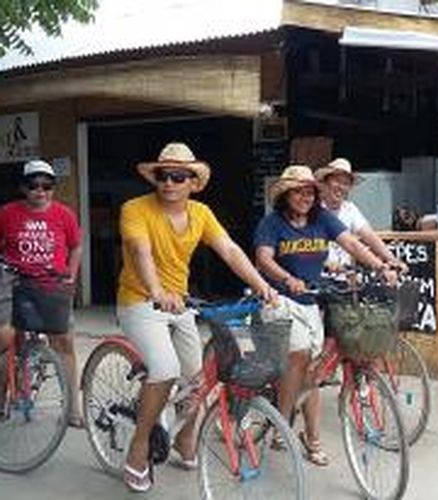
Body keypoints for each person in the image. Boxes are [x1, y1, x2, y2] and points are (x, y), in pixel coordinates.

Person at [118, 143, 276, 492]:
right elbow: (140, 251)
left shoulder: (201, 213)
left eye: (179, 176)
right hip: (140, 302)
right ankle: (139, 446)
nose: (169, 182)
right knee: (165, 369)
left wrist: (261, 285)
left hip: (182, 304)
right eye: (163, 175)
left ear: (193, 181)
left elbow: (230, 250)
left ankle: (182, 437)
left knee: (196, 379)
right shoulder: (135, 209)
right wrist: (157, 291)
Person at [254, 165, 397, 467]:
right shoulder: (272, 223)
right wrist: (286, 278)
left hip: (310, 302)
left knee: (313, 371)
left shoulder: (323, 219)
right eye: (298, 191)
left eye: (310, 192)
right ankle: (285, 423)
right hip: (278, 301)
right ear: (285, 195)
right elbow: (263, 259)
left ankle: (307, 433)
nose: (306, 197)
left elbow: (352, 243)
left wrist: (381, 266)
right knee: (300, 355)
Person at [0, 160, 83, 427]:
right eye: (33, 185)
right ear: (23, 188)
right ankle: (4, 393)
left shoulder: (64, 214)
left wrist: (71, 274)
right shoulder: (7, 212)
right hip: (15, 281)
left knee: (64, 342)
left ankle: (73, 408)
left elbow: (76, 246)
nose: (40, 191)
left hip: (52, 284)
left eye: (47, 186)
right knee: (6, 335)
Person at [315, 158, 406, 272]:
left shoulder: (349, 209)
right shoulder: (314, 210)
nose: (341, 187)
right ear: (325, 183)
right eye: (337, 181)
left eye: (346, 184)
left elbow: (370, 236)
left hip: (344, 278)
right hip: (318, 275)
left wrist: (393, 260)